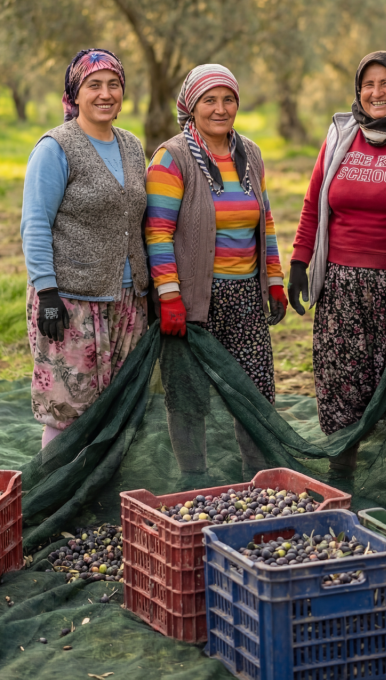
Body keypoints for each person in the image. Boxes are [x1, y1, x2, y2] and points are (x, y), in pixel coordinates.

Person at [288, 51, 386, 466]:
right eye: (368, 85)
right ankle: (343, 480)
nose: (376, 93)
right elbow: (313, 204)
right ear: (358, 91)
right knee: (342, 389)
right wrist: (299, 262)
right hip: (341, 289)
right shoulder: (341, 134)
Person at [145, 64, 287, 473]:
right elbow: (157, 232)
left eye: (228, 99)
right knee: (189, 398)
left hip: (244, 296)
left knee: (255, 394)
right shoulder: (172, 158)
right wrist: (169, 296)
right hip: (193, 300)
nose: (220, 109)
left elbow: (266, 221)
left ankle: (257, 478)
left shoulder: (250, 154)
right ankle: (195, 480)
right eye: (210, 100)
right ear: (191, 106)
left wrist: (273, 280)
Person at [21, 49, 149, 448]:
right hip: (70, 300)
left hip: (128, 299)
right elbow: (35, 223)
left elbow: (137, 220)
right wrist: (47, 292)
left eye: (114, 85)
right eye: (94, 85)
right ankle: (59, 498)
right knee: (67, 409)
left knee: (116, 406)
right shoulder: (55, 147)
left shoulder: (131, 145)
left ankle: (100, 496)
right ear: (75, 93)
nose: (105, 94)